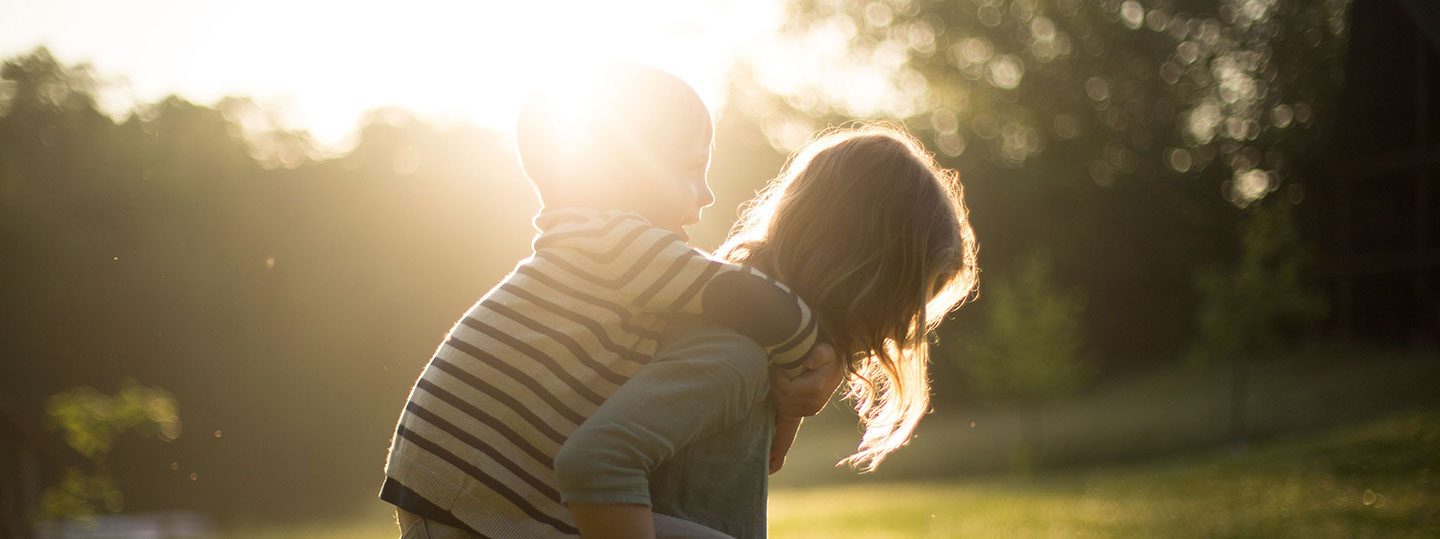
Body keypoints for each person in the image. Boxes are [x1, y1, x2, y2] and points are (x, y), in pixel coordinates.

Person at [379, 63, 842, 538]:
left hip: (463, 495)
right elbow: (751, 298)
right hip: (476, 499)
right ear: (622, 171)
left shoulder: (596, 246)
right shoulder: (618, 244)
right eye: (690, 170)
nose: (706, 195)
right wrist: (814, 359)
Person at [554, 124, 979, 538]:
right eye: (906, 303)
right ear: (861, 272)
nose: (903, 333)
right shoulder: (735, 358)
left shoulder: (759, 351)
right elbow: (596, 461)